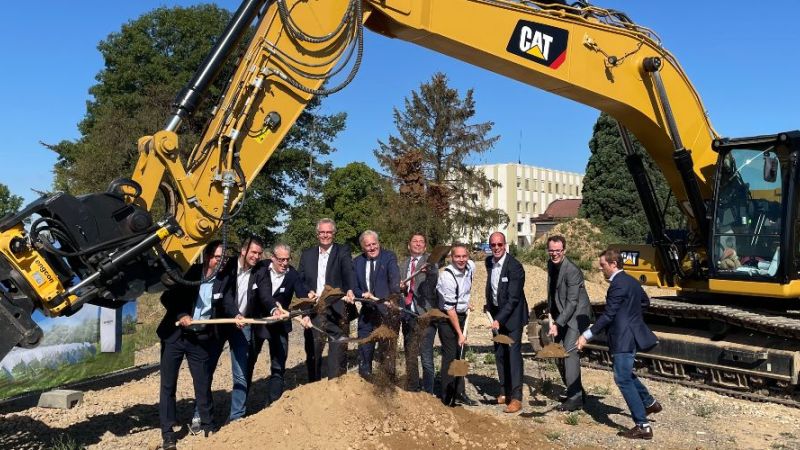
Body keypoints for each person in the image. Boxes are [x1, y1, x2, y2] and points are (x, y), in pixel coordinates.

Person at [577, 249, 662, 440]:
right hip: (630, 335)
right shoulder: (631, 281)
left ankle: (643, 426)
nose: (601, 268)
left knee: (622, 378)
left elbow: (608, 315)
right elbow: (644, 302)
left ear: (613, 264)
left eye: (603, 265)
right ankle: (649, 403)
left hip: (622, 338)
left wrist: (586, 335)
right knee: (626, 373)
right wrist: (631, 318)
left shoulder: (617, 285)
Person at [157, 240, 225, 450]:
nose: (221, 261)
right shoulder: (189, 274)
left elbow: (228, 303)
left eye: (224, 258)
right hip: (176, 336)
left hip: (199, 338)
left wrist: (238, 316)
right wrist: (182, 314)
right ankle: (168, 433)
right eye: (217, 257)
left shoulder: (223, 280)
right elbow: (167, 297)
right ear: (207, 257)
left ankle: (208, 424)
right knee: (168, 385)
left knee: (203, 382)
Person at [246, 243, 308, 407]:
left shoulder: (292, 274)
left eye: (287, 259)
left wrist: (306, 313)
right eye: (281, 259)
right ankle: (241, 405)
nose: (284, 263)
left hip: (280, 326)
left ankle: (272, 406)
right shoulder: (261, 268)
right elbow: (261, 294)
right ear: (272, 257)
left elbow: (302, 296)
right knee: (248, 362)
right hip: (258, 323)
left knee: (278, 366)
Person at [297, 218, 356, 381]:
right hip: (314, 309)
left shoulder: (342, 251)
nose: (325, 235)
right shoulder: (307, 254)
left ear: (334, 234)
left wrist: (350, 289)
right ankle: (314, 386)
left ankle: (336, 387)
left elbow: (348, 272)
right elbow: (300, 280)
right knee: (313, 352)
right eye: (322, 232)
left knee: (338, 352)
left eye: (329, 232)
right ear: (317, 234)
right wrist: (307, 292)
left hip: (337, 309)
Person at [221, 236, 272, 422]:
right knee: (206, 370)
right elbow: (225, 295)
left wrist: (274, 308)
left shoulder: (261, 270)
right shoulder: (227, 267)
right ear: (243, 251)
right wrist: (234, 314)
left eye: (259, 253)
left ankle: (236, 417)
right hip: (221, 323)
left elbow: (266, 295)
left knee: (241, 373)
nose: (256, 256)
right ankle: (200, 415)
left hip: (243, 326)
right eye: (253, 252)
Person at [545, 235, 592, 411]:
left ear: (564, 250)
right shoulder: (550, 264)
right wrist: (550, 311)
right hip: (561, 312)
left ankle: (575, 398)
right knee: (558, 352)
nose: (554, 254)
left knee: (569, 353)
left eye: (558, 251)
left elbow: (572, 302)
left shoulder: (572, 270)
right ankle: (576, 391)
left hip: (576, 315)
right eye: (551, 250)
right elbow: (551, 289)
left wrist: (558, 323)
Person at [484, 232, 529, 414]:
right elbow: (495, 288)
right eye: (493, 245)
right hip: (497, 315)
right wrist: (489, 304)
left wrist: (498, 320)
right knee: (500, 354)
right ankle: (504, 390)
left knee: (513, 355)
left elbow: (513, 299)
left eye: (499, 244)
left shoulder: (515, 267)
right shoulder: (489, 263)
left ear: (505, 245)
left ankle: (516, 397)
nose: (496, 248)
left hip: (512, 318)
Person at [353, 230, 400, 379]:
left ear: (378, 243)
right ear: (363, 247)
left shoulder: (389, 257)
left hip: (386, 311)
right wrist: (361, 294)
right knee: (365, 348)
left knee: (387, 351)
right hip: (367, 313)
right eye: (368, 245)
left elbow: (394, 277)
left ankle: (388, 384)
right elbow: (353, 286)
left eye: (374, 244)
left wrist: (393, 297)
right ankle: (365, 378)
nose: (372, 248)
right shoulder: (357, 262)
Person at [436, 243, 477, 407]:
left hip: (461, 315)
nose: (461, 260)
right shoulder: (447, 277)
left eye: (464, 256)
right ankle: (447, 395)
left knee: (461, 355)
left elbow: (465, 291)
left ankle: (460, 392)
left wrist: (465, 304)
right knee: (450, 355)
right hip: (447, 318)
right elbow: (450, 309)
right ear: (451, 258)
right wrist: (460, 334)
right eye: (457, 257)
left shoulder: (471, 267)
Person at [399, 233, 439, 393]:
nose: (418, 244)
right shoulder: (403, 264)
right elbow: (401, 287)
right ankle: (413, 388)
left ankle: (429, 391)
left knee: (426, 357)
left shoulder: (430, 262)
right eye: (415, 241)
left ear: (425, 246)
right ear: (409, 245)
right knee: (410, 355)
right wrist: (401, 287)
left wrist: (429, 270)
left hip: (425, 315)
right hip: (408, 314)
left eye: (421, 242)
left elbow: (434, 277)